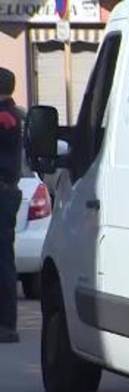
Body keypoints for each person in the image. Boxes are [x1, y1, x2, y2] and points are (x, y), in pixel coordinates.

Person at [0, 67, 23, 344]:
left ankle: (6, 325)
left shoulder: (5, 116)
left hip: (2, 195)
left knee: (3, 262)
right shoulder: (12, 113)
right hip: (7, 193)